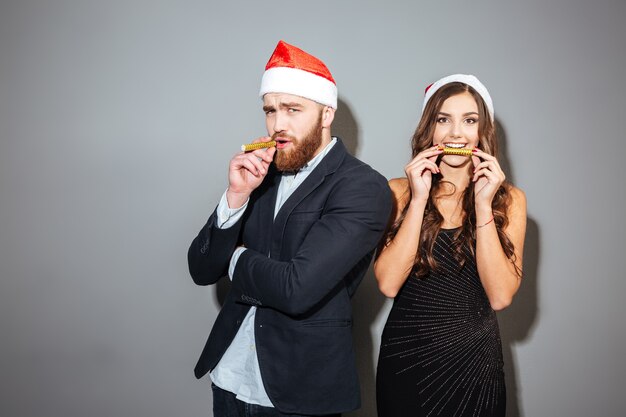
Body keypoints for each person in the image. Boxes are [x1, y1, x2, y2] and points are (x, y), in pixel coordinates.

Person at [187, 40, 392, 417]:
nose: (278, 124)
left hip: (297, 390)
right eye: (270, 110)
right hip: (230, 375)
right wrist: (235, 196)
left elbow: (296, 289)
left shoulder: (362, 187)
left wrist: (235, 258)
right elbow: (201, 270)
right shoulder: (259, 176)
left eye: (292, 109)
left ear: (326, 113)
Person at [375, 74, 527, 417]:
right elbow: (387, 283)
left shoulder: (511, 201)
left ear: (482, 132)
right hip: (406, 363)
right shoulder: (397, 192)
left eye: (469, 121)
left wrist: (484, 203)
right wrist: (418, 199)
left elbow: (500, 296)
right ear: (430, 128)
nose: (456, 133)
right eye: (444, 119)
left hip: (476, 367)